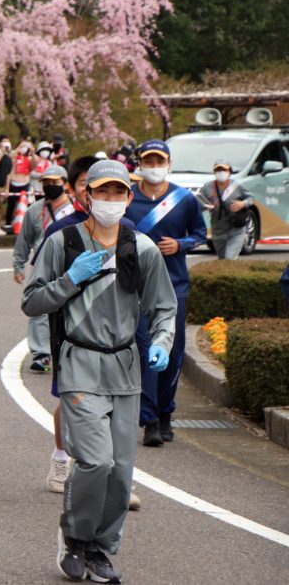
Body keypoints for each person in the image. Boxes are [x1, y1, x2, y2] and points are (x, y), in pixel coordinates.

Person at [22, 160, 177, 584]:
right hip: (79, 362)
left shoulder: (140, 247)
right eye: (101, 192)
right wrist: (70, 280)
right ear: (86, 195)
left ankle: (101, 549)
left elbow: (164, 306)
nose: (110, 200)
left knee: (121, 469)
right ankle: (74, 537)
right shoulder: (63, 242)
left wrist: (162, 342)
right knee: (95, 460)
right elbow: (32, 302)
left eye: (118, 192)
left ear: (130, 197)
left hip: (125, 367)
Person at [126, 139, 206, 446]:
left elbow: (199, 234)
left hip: (174, 286)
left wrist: (180, 245)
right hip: (137, 286)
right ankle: (149, 420)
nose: (155, 167)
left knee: (171, 352)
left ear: (169, 164)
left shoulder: (184, 200)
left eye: (160, 162)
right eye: (150, 161)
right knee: (146, 350)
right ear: (141, 165)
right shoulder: (129, 199)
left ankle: (165, 413)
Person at [13, 165, 75, 372]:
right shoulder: (34, 210)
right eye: (46, 183)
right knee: (40, 305)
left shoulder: (76, 209)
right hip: (42, 263)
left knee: (69, 306)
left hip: (71, 262)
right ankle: (41, 354)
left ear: (65, 184)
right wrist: (18, 265)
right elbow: (24, 240)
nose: (50, 186)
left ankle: (69, 349)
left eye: (54, 183)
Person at [195, 159, 254, 260]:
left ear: (229, 172)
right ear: (214, 172)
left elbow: (250, 198)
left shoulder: (237, 186)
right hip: (218, 230)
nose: (221, 172)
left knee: (229, 258)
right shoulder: (207, 187)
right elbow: (197, 203)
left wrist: (242, 203)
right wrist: (205, 206)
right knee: (222, 260)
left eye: (224, 170)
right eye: (218, 170)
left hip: (236, 229)